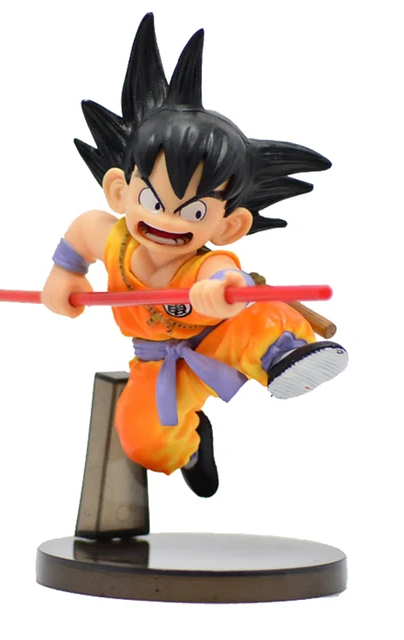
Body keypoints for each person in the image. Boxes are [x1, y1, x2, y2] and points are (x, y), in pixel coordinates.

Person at [42, 13, 348, 498]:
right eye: (152, 199)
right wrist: (64, 275)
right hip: (158, 362)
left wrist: (220, 293)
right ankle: (190, 446)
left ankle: (284, 354)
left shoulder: (204, 265)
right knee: (141, 438)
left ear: (227, 226)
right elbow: (81, 232)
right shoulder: (112, 238)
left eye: (195, 210)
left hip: (218, 340)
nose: (167, 220)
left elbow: (226, 276)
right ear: (120, 191)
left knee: (255, 311)